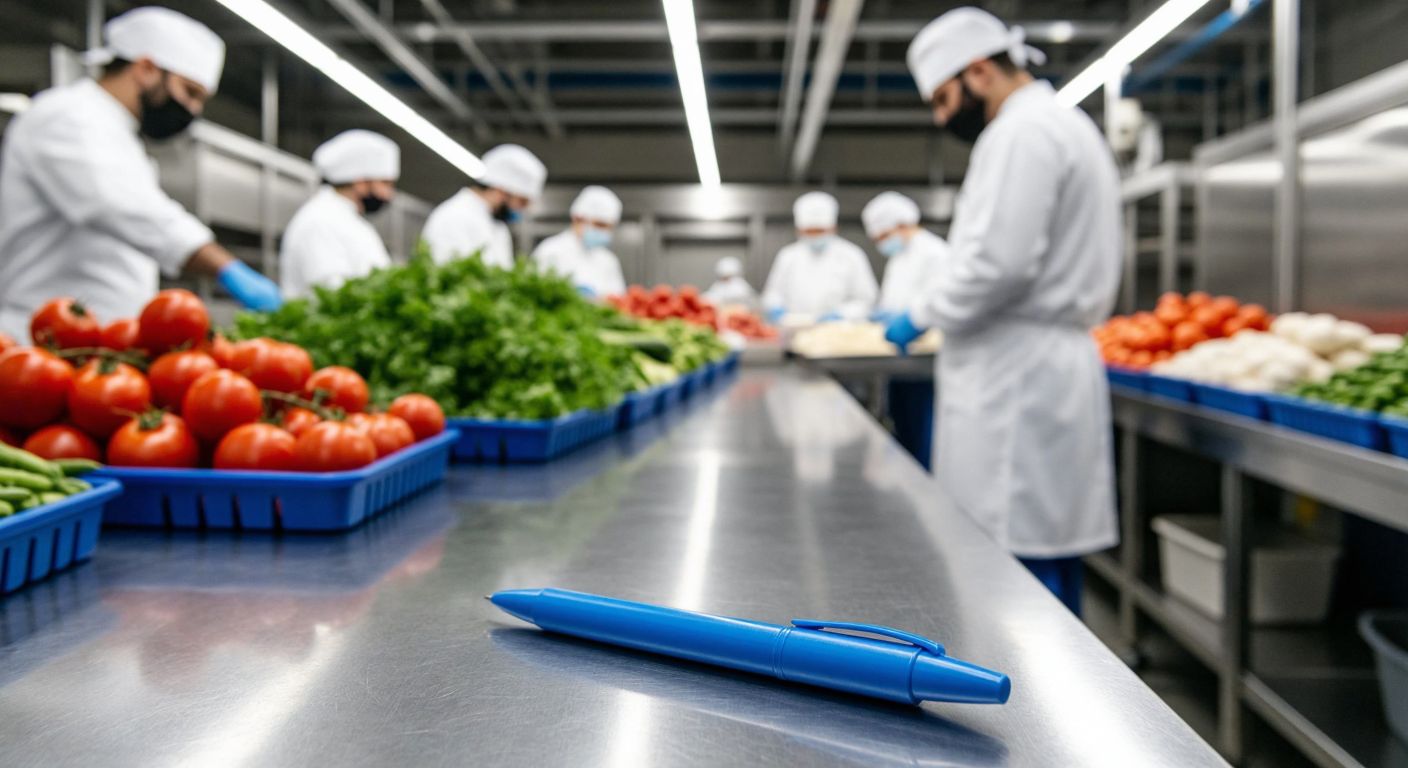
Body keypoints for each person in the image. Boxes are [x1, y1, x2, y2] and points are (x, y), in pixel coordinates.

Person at [888, 7, 1121, 614]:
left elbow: (996, 264)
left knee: (1016, 578)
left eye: (944, 99)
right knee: (1046, 553)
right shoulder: (1061, 125)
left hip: (1016, 379)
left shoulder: (1021, 134)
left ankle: (1027, 705)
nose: (943, 118)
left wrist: (923, 312)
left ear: (981, 71)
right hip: (1041, 367)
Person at [0, 6, 281, 336]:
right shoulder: (66, 116)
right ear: (146, 68)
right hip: (43, 338)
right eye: (190, 92)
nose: (194, 110)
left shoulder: (117, 134)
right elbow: (121, 207)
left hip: (104, 340)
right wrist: (226, 268)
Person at [280, 129, 399, 299]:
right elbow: (334, 296)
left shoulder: (347, 220)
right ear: (360, 183)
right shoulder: (320, 221)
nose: (390, 194)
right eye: (386, 183)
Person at [421, 144, 546, 268]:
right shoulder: (453, 217)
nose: (523, 209)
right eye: (522, 201)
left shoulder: (498, 226)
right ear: (501, 190)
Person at [761, 191, 877, 323]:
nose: (814, 236)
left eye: (820, 231)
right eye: (809, 231)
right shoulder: (788, 256)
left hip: (839, 331)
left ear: (833, 228)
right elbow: (773, 294)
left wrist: (842, 314)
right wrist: (776, 308)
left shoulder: (852, 255)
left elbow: (866, 300)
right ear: (799, 230)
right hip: (795, 329)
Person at [861, 191, 951, 324]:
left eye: (884, 236)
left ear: (902, 225)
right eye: (877, 240)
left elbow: (939, 302)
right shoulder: (898, 256)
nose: (881, 244)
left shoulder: (935, 253)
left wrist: (909, 318)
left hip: (924, 332)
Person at [531, 185, 626, 298]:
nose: (604, 233)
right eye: (600, 225)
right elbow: (535, 294)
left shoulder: (608, 260)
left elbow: (619, 301)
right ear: (578, 219)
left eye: (609, 228)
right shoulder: (550, 251)